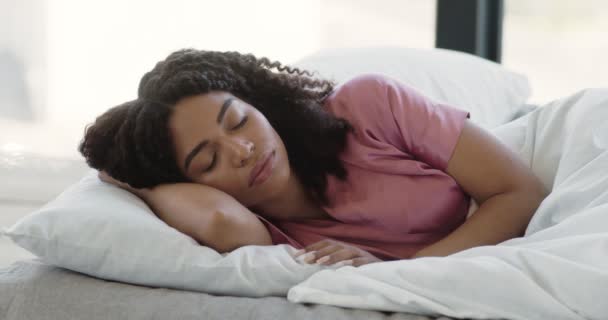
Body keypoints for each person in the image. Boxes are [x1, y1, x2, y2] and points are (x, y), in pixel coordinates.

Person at [79, 49, 549, 267]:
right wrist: (140, 180)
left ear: (257, 103)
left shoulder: (367, 105)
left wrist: (407, 267)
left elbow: (518, 190)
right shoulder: (260, 232)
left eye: (239, 121)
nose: (242, 150)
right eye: (207, 161)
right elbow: (219, 223)